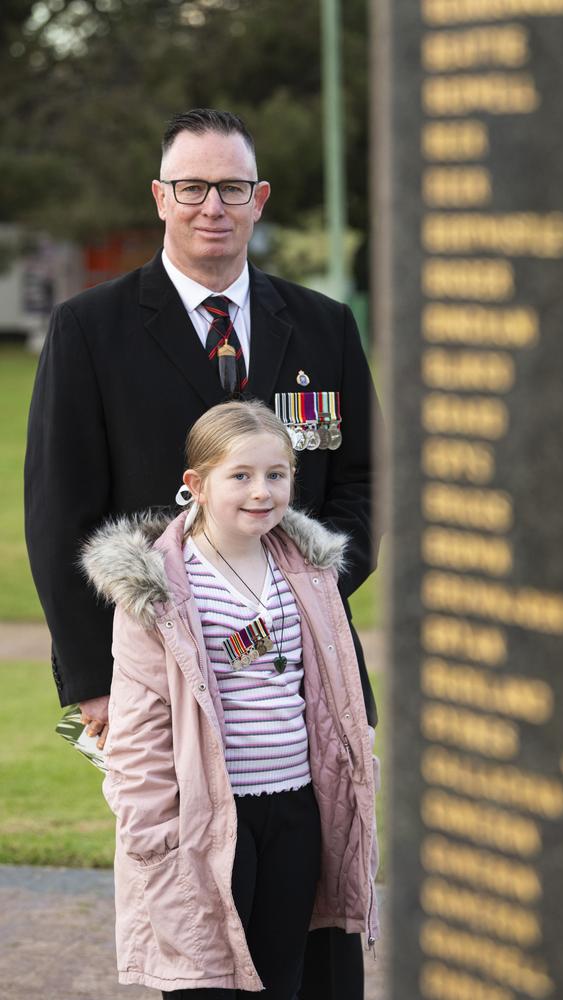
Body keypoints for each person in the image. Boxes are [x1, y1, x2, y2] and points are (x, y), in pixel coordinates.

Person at [25, 108, 378, 996]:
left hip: (306, 681)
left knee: (315, 925)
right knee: (201, 928)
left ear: (258, 200)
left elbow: (361, 484)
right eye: (192, 187)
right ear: (161, 198)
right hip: (169, 679)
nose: (210, 206)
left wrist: (300, 593)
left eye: (230, 188)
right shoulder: (90, 329)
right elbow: (59, 509)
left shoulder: (323, 327)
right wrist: (91, 683)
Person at [81, 400, 379, 998]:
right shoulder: (158, 588)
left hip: (296, 811)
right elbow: (139, 736)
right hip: (210, 824)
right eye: (239, 476)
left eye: (277, 474)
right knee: (206, 985)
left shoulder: (309, 573)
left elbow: (332, 699)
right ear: (196, 484)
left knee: (283, 980)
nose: (261, 492)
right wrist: (155, 844)